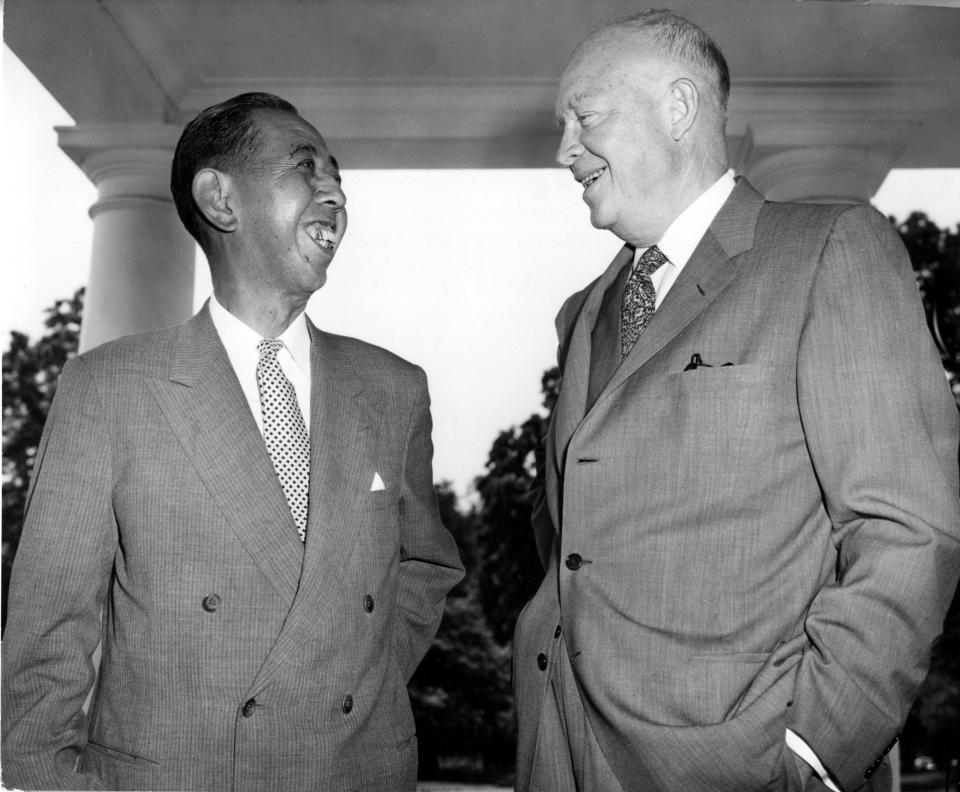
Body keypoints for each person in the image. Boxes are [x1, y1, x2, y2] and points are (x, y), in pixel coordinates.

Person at [513, 11, 960, 792]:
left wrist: (813, 750)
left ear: (678, 108)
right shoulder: (584, 310)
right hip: (556, 752)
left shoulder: (829, 249)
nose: (564, 151)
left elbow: (908, 532)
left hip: (735, 764)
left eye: (584, 118)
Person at [2, 92, 464, 791]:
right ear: (220, 198)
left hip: (360, 770)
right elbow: (46, 638)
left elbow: (426, 567)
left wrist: (348, 679)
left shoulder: (395, 388)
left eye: (336, 171)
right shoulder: (109, 388)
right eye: (306, 166)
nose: (335, 190)